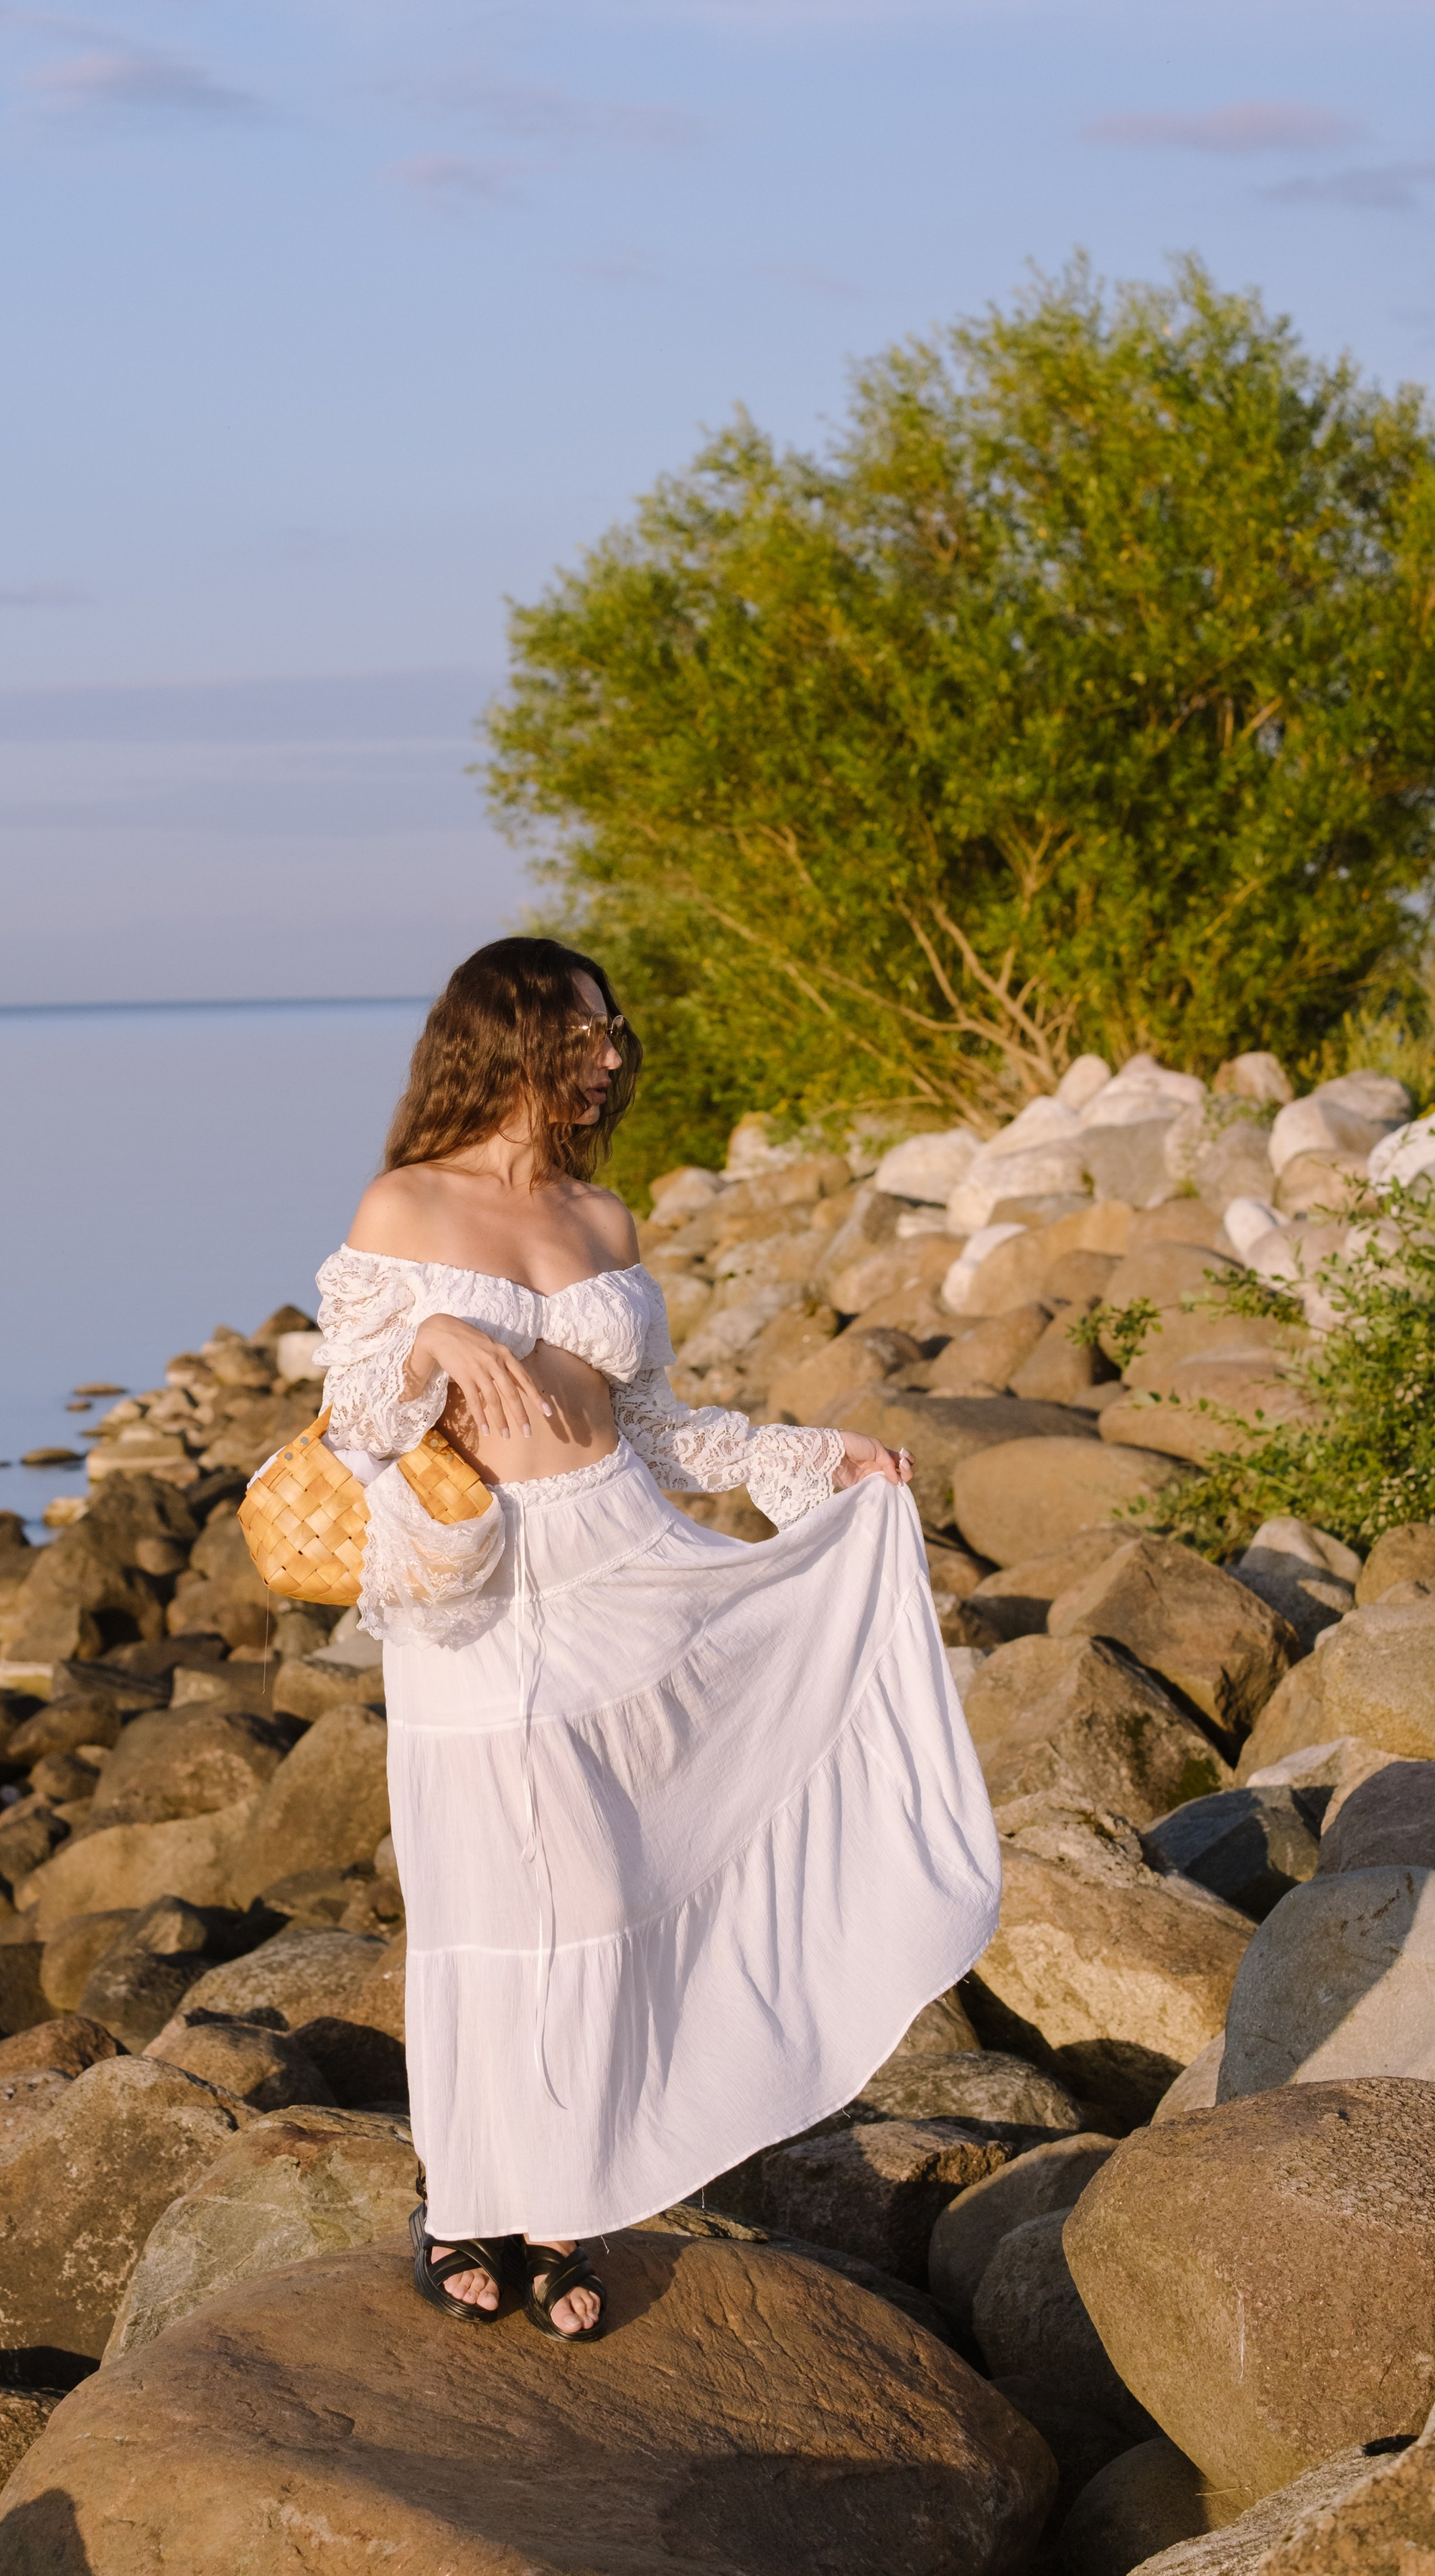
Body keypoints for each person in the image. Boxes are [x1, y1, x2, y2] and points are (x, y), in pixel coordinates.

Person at [315, 936, 1001, 2342]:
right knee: (501, 1903)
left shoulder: (602, 1217)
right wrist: (433, 1338)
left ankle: (564, 2203)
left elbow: (648, 1426)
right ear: (503, 1041)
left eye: (613, 1030)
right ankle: (464, 2198)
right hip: (483, 1595)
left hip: (623, 1552)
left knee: (618, 1891)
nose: (611, 1054)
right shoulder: (405, 1205)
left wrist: (809, 1459)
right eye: (581, 1032)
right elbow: (350, 1426)